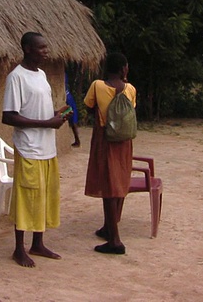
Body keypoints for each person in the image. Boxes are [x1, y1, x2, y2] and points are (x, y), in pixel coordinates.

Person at [2, 32, 71, 267]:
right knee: (26, 197)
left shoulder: (41, 75)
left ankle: (38, 244)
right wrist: (45, 124)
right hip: (29, 148)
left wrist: (55, 116)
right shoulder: (16, 77)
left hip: (47, 148)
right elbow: (9, 116)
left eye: (46, 47)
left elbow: (38, 110)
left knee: (44, 195)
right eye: (41, 48)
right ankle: (18, 249)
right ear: (27, 49)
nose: (46, 51)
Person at [83, 52, 136, 255]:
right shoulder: (130, 89)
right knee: (119, 182)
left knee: (108, 186)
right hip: (124, 143)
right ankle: (109, 227)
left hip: (105, 140)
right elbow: (130, 111)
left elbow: (88, 107)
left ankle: (115, 240)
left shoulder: (97, 85)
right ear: (123, 69)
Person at [65, 72, 81, 147]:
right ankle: (77, 140)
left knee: (73, 121)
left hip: (68, 99)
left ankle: (77, 141)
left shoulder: (64, 75)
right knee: (73, 120)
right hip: (69, 98)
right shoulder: (65, 74)